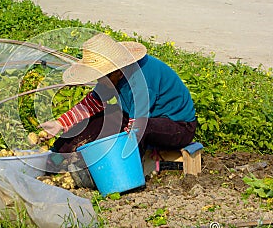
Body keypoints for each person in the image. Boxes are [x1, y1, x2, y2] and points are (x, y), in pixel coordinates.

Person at [40, 33, 197, 157]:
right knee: (102, 117)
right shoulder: (113, 77)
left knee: (140, 127)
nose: (99, 81)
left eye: (102, 77)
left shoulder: (142, 82)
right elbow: (92, 104)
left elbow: (137, 126)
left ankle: (130, 172)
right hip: (138, 118)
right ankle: (58, 155)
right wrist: (59, 124)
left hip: (178, 127)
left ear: (117, 72)